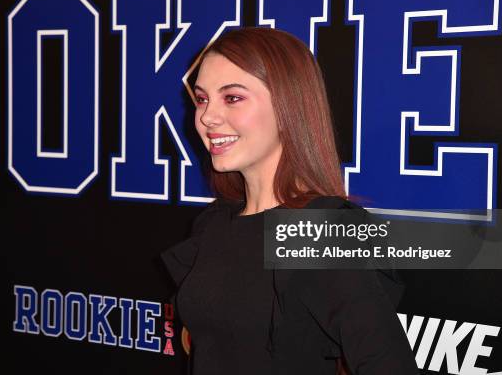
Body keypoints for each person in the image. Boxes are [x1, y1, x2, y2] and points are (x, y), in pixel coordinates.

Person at [161, 27, 418, 375]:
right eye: (203, 98)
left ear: (287, 106)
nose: (207, 117)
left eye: (232, 98)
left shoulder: (323, 233)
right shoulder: (214, 223)